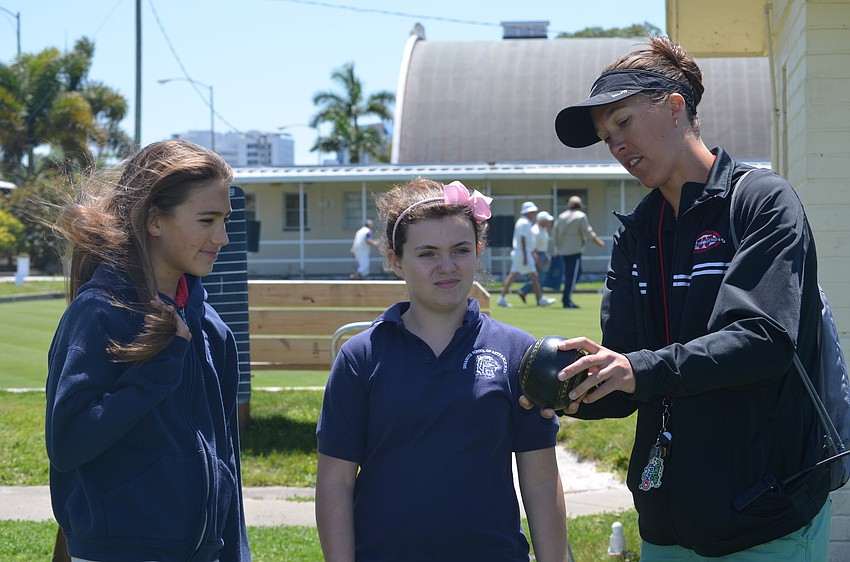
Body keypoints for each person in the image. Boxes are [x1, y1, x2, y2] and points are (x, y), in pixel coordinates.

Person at [525, 35, 831, 560]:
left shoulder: (761, 202)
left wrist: (636, 370)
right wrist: (566, 392)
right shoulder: (636, 234)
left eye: (622, 122)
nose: (616, 145)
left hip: (766, 516)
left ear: (674, 107)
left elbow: (764, 340)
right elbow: (626, 375)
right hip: (666, 525)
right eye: (605, 136)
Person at [315, 179, 568, 562]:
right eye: (428, 253)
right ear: (395, 260)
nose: (447, 267)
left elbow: (540, 477)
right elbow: (335, 481)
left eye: (461, 250)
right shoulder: (361, 357)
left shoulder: (517, 352)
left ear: (479, 251)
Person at [45, 140, 251, 562]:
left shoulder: (212, 327)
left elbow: (226, 452)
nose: (223, 237)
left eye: (225, 220)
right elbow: (68, 444)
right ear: (154, 220)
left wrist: (234, 551)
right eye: (207, 220)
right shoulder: (100, 312)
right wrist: (158, 368)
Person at [551, 196, 605, 308]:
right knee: (573, 275)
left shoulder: (562, 216)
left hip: (563, 250)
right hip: (574, 250)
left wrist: (557, 248)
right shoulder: (580, 216)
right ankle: (566, 300)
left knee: (571, 274)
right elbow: (587, 232)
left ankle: (566, 297)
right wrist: (598, 241)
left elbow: (555, 233)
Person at [497, 201, 554, 307]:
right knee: (534, 276)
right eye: (532, 211)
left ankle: (502, 298)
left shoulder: (523, 222)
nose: (533, 213)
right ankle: (541, 299)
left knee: (513, 276)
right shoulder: (524, 223)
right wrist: (525, 255)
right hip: (523, 253)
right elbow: (523, 239)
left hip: (522, 253)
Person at [519, 210, 554, 301]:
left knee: (539, 277)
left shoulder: (543, 229)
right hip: (537, 254)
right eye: (546, 220)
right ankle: (528, 292)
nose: (548, 222)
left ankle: (533, 295)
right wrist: (537, 258)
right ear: (541, 220)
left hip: (541, 254)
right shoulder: (535, 230)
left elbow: (543, 245)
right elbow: (533, 246)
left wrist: (546, 255)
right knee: (538, 278)